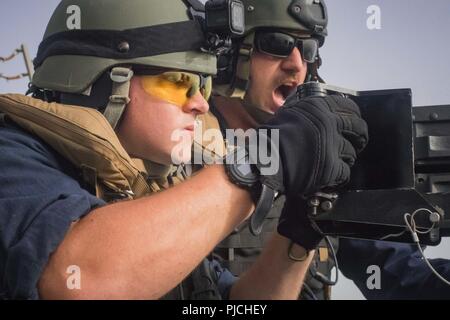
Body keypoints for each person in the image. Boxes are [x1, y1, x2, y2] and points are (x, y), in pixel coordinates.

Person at [0, 0, 368, 300]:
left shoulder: (140, 188)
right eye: (178, 82)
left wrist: (300, 230)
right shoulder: (12, 156)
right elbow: (78, 281)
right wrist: (260, 163)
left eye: (203, 86)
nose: (201, 105)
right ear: (106, 80)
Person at [209, 0, 339, 300]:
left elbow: (395, 262)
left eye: (307, 50)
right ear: (231, 53)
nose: (296, 64)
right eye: (278, 44)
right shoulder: (175, 152)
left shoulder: (323, 153)